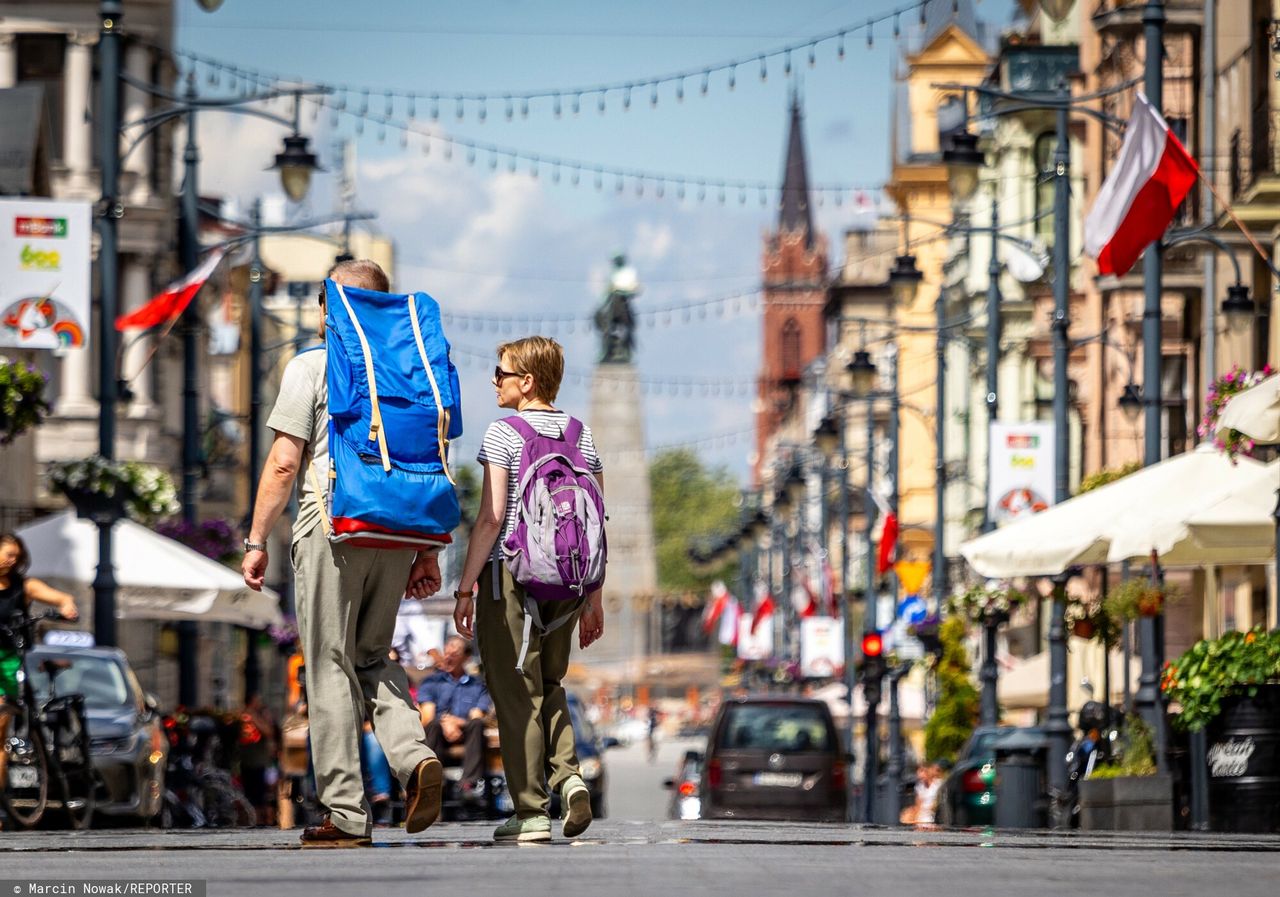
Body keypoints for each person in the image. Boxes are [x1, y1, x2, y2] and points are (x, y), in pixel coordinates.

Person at [242, 258, 444, 848]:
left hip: (334, 525)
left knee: (329, 662)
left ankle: (346, 813)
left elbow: (284, 461)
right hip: (400, 529)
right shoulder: (411, 367)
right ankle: (412, 756)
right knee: (374, 656)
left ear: (333, 306)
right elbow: (430, 458)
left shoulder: (313, 364)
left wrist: (256, 541)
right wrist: (427, 551)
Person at [453, 336, 606, 843]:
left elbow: (492, 517)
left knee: (517, 691)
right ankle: (571, 780)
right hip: (571, 580)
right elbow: (598, 518)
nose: (494, 381)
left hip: (512, 576)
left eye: (501, 373)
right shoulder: (581, 435)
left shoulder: (504, 432)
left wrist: (466, 586)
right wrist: (595, 596)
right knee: (552, 683)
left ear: (527, 382)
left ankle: (531, 812)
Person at [0, 533, 79, 789]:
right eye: (8, 554)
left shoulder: (24, 586)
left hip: (9, 658)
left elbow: (61, 598)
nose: (12, 561)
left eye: (16, 556)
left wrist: (67, 606)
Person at [417, 635, 492, 798]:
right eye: (447, 652)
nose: (448, 656)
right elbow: (427, 717)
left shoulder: (477, 685)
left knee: (477, 724)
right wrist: (446, 723)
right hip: (437, 731)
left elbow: (476, 715)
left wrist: (456, 723)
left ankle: (469, 784)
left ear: (466, 657)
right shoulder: (431, 683)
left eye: (455, 653)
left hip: (465, 731)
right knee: (434, 725)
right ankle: (434, 784)